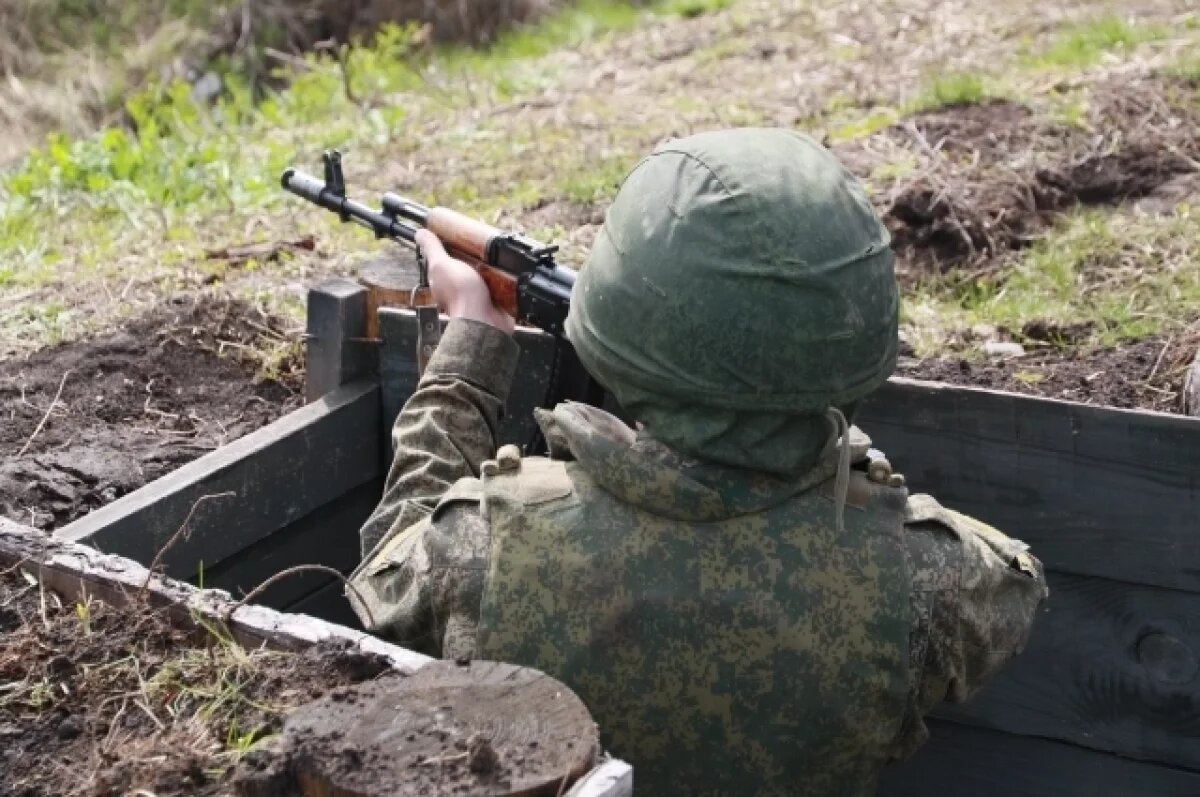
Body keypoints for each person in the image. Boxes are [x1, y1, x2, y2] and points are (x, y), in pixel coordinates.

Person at [348, 128, 1048, 796]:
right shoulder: (933, 581)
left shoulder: (482, 545)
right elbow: (1017, 586)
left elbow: (382, 574)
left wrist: (470, 348)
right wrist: (839, 459)